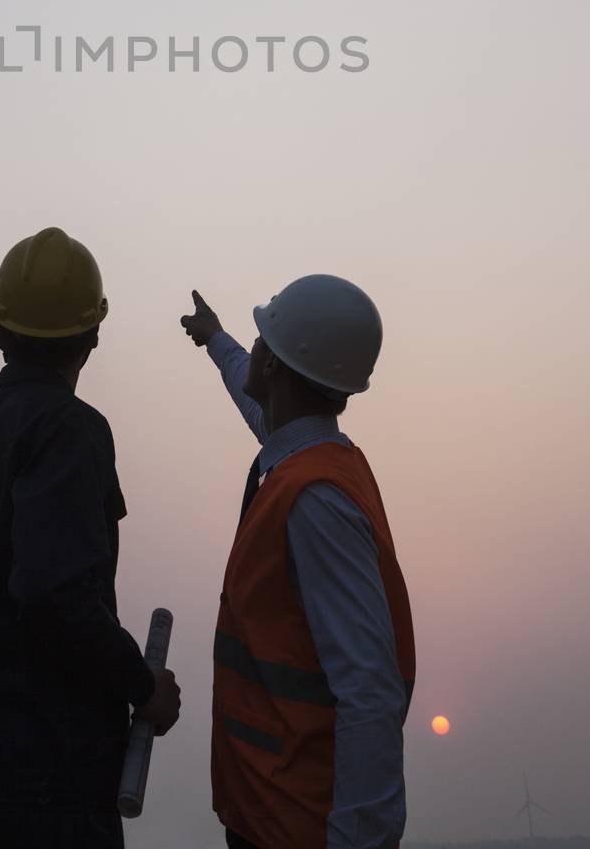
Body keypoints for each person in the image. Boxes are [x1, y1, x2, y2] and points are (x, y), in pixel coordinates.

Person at [0, 227, 180, 849]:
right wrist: (142, 685)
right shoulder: (70, 432)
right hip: (42, 795)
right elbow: (55, 594)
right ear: (93, 337)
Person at [181, 279, 415, 849]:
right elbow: (258, 403)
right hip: (270, 812)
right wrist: (216, 340)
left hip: (296, 825)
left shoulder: (314, 500)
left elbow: (369, 690)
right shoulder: (313, 457)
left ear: (279, 370)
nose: (254, 349)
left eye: (264, 340)